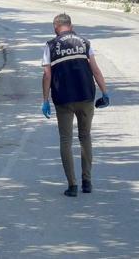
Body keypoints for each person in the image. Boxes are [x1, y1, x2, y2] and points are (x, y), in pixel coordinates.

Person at [41, 14, 109, 197]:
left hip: (63, 99)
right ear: (71, 26)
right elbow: (95, 69)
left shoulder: (50, 45)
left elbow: (47, 74)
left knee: (66, 140)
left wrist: (45, 100)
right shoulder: (85, 42)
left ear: (56, 27)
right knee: (85, 137)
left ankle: (72, 186)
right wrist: (105, 92)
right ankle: (87, 181)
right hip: (86, 96)